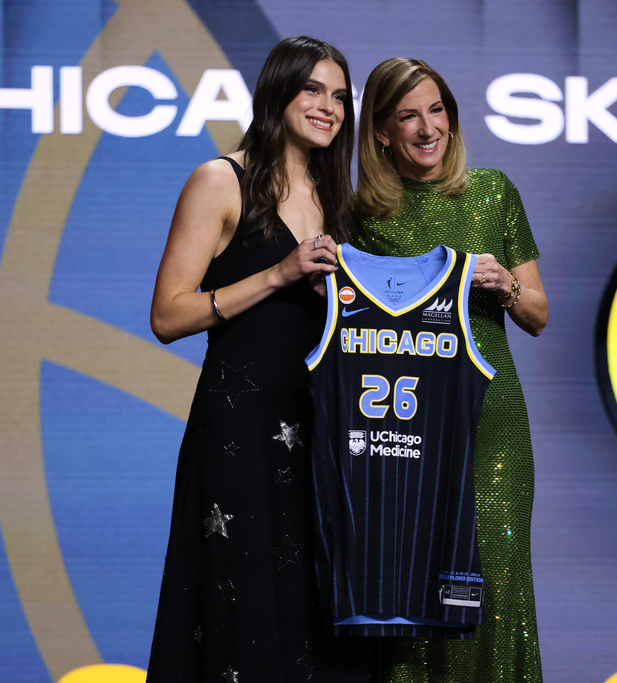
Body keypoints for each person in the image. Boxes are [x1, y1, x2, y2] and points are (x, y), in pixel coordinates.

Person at [146, 36, 368, 682]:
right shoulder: (220, 180)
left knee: (310, 615)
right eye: (314, 90)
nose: (328, 107)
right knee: (237, 610)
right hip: (241, 431)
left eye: (339, 97)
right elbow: (167, 314)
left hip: (321, 439)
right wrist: (278, 274)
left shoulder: (339, 202)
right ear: (278, 90)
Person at [354, 57, 548, 682]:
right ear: (381, 131)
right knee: (412, 581)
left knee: (495, 580)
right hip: (405, 425)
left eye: (436, 110)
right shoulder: (358, 212)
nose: (427, 126)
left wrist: (507, 288)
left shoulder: (493, 191)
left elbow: (540, 315)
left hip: (493, 423)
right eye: (407, 115)